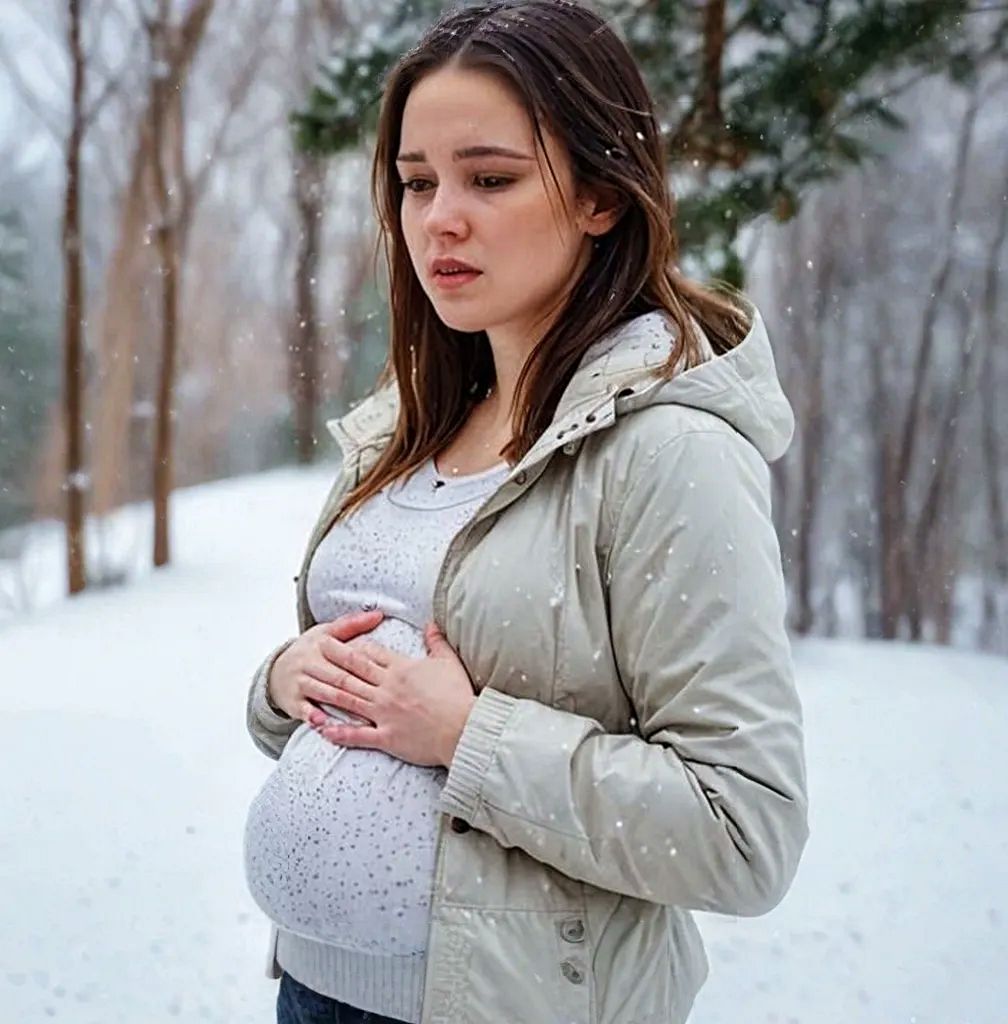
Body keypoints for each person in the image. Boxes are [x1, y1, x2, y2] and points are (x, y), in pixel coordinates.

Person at [243, 1, 809, 1022]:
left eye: (489, 178)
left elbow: (742, 829)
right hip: (314, 994)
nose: (437, 219)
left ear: (600, 193)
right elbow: (364, 690)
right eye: (416, 184)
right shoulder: (406, 426)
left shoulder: (666, 450)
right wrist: (284, 682)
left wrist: (468, 736)